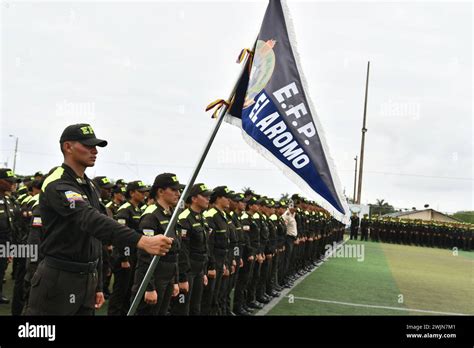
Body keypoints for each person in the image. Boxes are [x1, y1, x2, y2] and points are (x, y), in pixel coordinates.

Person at [25, 123, 172, 315]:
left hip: (87, 278)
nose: (94, 151)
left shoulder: (90, 186)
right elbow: (89, 219)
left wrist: (99, 284)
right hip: (59, 279)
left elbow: (95, 236)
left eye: (96, 146)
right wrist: (141, 240)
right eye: (87, 145)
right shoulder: (57, 182)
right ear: (68, 147)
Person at [131, 173, 184, 316]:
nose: (178, 194)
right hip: (155, 277)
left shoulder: (171, 214)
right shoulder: (151, 215)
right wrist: (149, 287)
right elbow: (144, 255)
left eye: (178, 190)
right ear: (160, 191)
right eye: (173, 190)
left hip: (167, 275)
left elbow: (174, 252)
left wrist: (174, 280)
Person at [108, 180, 149, 316]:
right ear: (132, 193)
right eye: (141, 192)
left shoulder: (137, 208)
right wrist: (123, 258)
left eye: (144, 192)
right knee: (120, 291)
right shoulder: (125, 209)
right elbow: (120, 236)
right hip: (124, 256)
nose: (144, 194)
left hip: (134, 254)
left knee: (129, 290)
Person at [171, 183, 212, 315]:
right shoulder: (184, 218)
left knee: (195, 307)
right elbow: (182, 251)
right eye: (205, 196)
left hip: (199, 270)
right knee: (182, 308)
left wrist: (204, 271)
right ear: (194, 198)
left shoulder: (201, 217)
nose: (208, 199)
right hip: (188, 270)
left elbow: (204, 247)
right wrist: (182, 277)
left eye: (208, 196)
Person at [201, 186, 231, 315]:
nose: (229, 200)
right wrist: (212, 265)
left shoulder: (222, 215)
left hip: (221, 259)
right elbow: (209, 244)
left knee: (217, 293)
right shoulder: (211, 215)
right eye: (226, 197)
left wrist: (224, 263)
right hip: (213, 261)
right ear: (218, 198)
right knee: (208, 296)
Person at [0, 168, 22, 305]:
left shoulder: (8, 200)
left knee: (1, 269)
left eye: (13, 181)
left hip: (5, 243)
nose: (12, 184)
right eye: (8, 181)